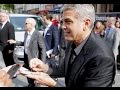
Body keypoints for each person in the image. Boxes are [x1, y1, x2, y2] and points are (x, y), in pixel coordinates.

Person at [23, 4, 115, 87]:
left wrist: (53, 84)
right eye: (63, 22)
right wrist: (44, 67)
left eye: (68, 22)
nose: (63, 26)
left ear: (86, 24)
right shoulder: (73, 42)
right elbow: (65, 69)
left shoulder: (102, 58)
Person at [8, 18, 46, 87]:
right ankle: (30, 84)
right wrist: (15, 42)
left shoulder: (38, 34)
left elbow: (42, 48)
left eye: (26, 23)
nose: (24, 25)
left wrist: (42, 62)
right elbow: (25, 43)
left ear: (31, 25)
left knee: (35, 78)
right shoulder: (26, 33)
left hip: (34, 60)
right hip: (26, 58)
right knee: (28, 74)